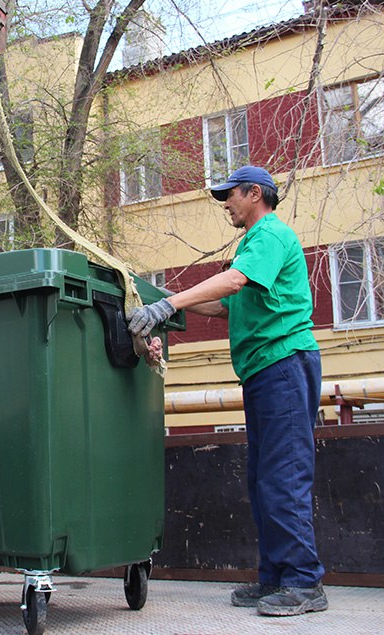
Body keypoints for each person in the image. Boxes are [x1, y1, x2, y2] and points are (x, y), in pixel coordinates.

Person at [127, 165, 327, 617]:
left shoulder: (271, 235)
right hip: (263, 371)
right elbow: (225, 306)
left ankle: (304, 583)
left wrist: (169, 304)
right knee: (263, 480)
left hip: (285, 364)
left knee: (284, 476)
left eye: (230, 195)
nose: (225, 204)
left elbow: (234, 281)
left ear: (255, 193)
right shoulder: (253, 244)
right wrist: (161, 299)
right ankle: (275, 579)